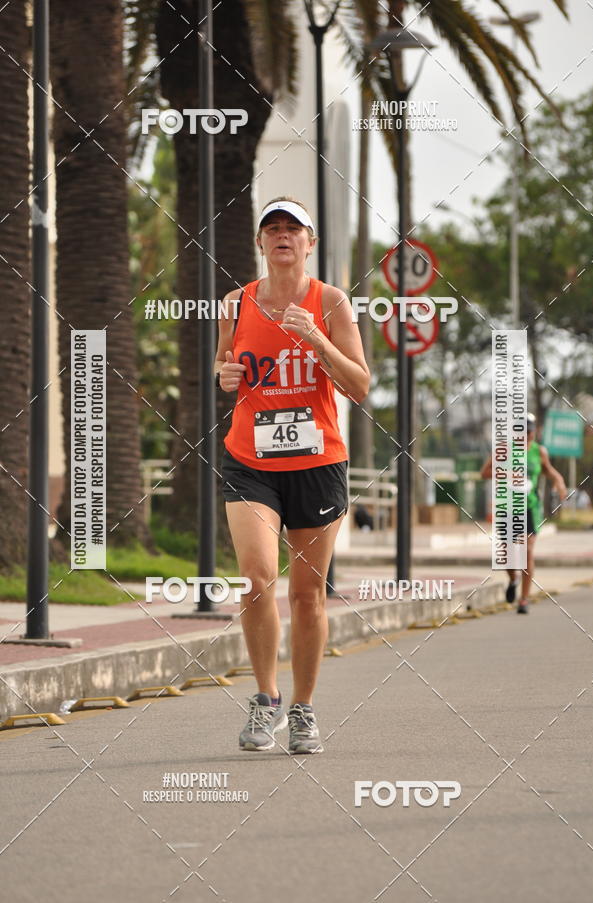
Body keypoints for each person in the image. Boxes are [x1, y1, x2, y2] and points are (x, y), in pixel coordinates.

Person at [215, 197, 370, 753]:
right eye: (272, 228)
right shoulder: (235, 302)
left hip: (317, 463)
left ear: (309, 243)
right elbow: (223, 363)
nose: (282, 236)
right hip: (250, 460)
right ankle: (266, 700)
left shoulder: (330, 302)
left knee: (307, 596)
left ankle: (303, 710)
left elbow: (359, 385)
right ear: (260, 243)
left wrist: (317, 338)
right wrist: (224, 373)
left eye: (293, 229)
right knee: (257, 579)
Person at [481, 413, 567, 614]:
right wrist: (506, 473)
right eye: (523, 431)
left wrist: (559, 481)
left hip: (530, 506)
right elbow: (484, 472)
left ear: (534, 431)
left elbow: (549, 470)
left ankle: (524, 599)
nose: (527, 435)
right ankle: (513, 579)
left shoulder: (540, 452)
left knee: (527, 550)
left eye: (530, 431)